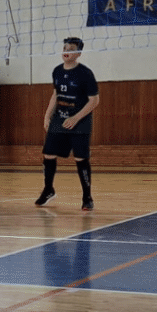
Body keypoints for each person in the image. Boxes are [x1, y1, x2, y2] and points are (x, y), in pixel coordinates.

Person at [35, 36, 100, 211]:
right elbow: (55, 95)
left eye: (71, 49)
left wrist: (76, 118)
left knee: (80, 158)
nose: (66, 52)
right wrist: (47, 116)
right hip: (59, 119)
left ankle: (87, 197)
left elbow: (94, 101)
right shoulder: (57, 71)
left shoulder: (85, 73)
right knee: (48, 154)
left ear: (78, 54)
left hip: (80, 122)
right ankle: (48, 190)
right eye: (65, 48)